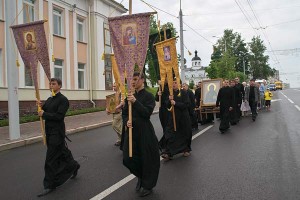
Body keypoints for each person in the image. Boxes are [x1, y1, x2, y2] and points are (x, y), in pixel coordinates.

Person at [37, 78, 80, 197]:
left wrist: (44, 114)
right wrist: (41, 106)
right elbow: (46, 110)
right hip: (49, 132)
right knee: (62, 152)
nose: (51, 85)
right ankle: (74, 165)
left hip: (57, 132)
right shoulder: (50, 99)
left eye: (54, 83)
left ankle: (49, 185)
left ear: (59, 86)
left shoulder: (63, 100)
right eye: (50, 83)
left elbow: (59, 116)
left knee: (50, 159)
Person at [122, 72, 160, 197]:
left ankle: (147, 185)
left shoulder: (149, 96)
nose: (132, 82)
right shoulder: (129, 96)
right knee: (128, 158)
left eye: (135, 79)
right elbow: (125, 113)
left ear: (142, 80)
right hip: (132, 131)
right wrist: (126, 121)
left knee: (147, 158)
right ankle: (141, 175)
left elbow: (147, 113)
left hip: (144, 131)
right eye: (131, 80)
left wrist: (135, 102)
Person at [160, 78, 192, 160]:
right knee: (169, 134)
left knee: (185, 134)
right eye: (172, 83)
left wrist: (176, 103)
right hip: (173, 117)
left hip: (183, 117)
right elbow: (167, 105)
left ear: (179, 84)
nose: (173, 84)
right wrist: (169, 100)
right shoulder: (171, 94)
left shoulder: (183, 92)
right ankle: (168, 153)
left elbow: (187, 104)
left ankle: (186, 150)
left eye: (175, 82)